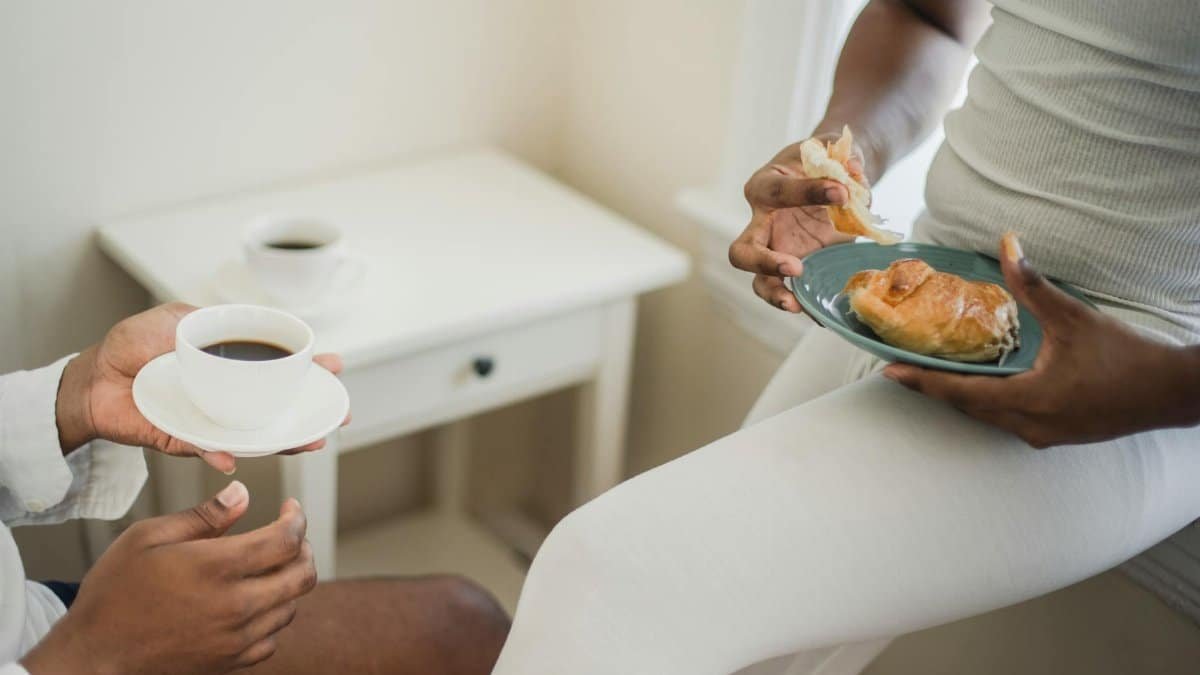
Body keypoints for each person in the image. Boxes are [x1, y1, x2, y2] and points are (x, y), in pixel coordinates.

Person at [490, 1, 1200, 673]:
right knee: (728, 651)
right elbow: (926, 16)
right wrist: (837, 166)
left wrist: (1160, 385)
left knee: (600, 572)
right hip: (921, 283)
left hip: (1138, 361)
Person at [2, 303, 509, 674]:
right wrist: (92, 654)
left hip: (35, 621)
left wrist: (84, 392)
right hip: (63, 657)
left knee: (466, 619)